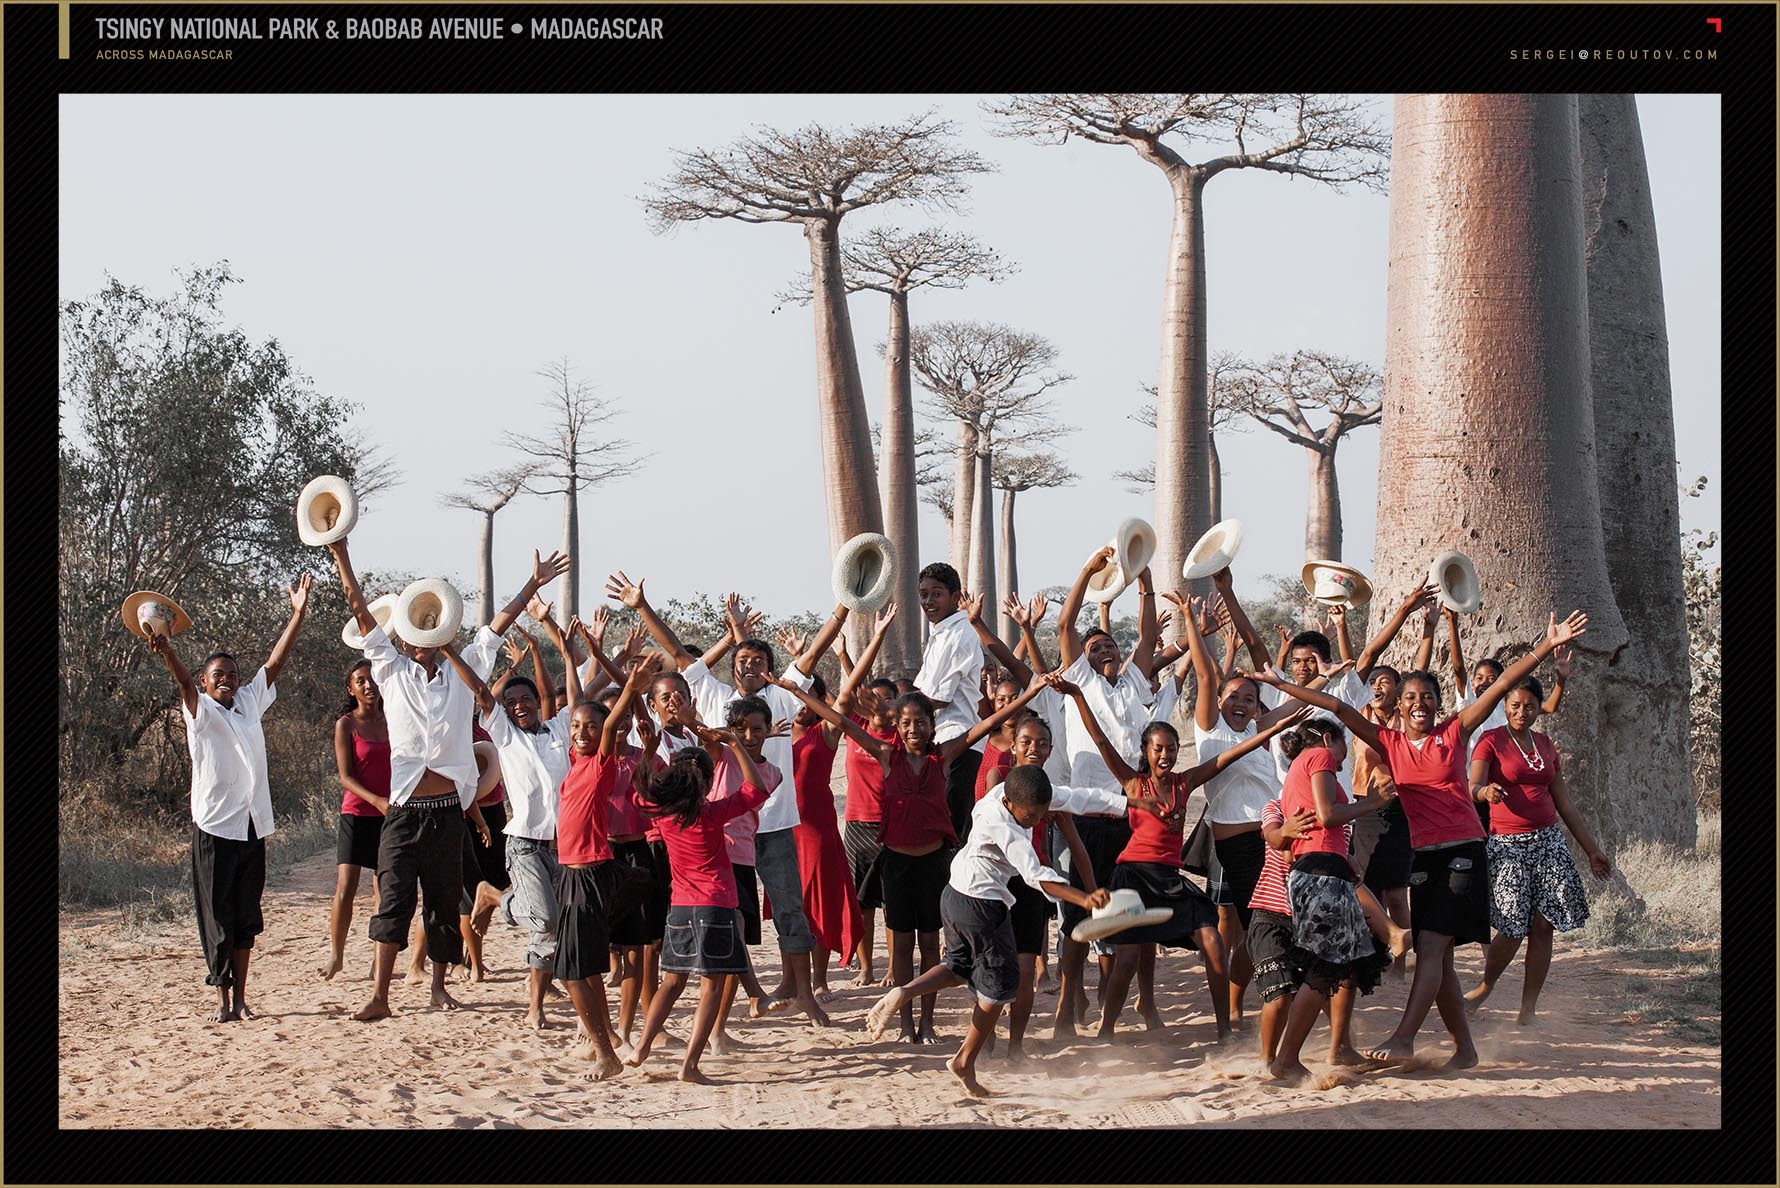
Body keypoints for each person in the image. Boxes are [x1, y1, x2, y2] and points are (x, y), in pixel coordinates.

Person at [1265, 609, 1590, 1069]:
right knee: (1443, 963)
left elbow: (1499, 686)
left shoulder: (1454, 733)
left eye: (1427, 697)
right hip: (1424, 856)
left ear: (1438, 704)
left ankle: (1404, 1037)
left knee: (1432, 946)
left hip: (1463, 852)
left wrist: (1542, 646)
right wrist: (1280, 685)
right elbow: (1337, 708)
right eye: (1411, 697)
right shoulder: (1390, 743)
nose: (1419, 703)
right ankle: (1467, 1050)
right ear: (1399, 706)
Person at [608, 573, 845, 1026]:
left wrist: (846, 603)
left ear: (769, 668)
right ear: (732, 667)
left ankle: (804, 996)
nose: (749, 667)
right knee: (731, 916)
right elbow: (678, 654)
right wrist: (641, 606)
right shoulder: (714, 697)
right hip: (727, 828)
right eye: (742, 660)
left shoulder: (780, 697)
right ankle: (747, 996)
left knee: (791, 912)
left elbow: (814, 652)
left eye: (758, 661)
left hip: (775, 825)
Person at [768, 671, 1049, 1044]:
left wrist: (1030, 691)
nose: (914, 728)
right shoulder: (886, 755)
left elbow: (988, 723)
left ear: (933, 726)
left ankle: (927, 1022)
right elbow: (840, 720)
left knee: (931, 945)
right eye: (906, 723)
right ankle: (903, 1024)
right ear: (897, 727)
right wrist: (793, 691)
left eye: (920, 722)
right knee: (901, 947)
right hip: (897, 864)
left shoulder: (943, 756)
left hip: (934, 864)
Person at [863, 766, 1152, 1095]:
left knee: (959, 967)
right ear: (1010, 802)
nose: (1034, 822)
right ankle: (964, 1061)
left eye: (1041, 815)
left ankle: (904, 992)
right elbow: (1035, 874)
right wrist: (1084, 898)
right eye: (1030, 817)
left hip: (956, 896)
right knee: (1000, 987)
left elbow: (1076, 798)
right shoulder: (1002, 823)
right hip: (981, 905)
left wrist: (1131, 804)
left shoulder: (1023, 793)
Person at [1052, 661, 1300, 1043]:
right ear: (1146, 753)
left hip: (1170, 880)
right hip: (1133, 877)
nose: (1165, 756)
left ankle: (1224, 1031)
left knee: (1214, 944)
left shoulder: (1186, 783)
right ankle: (1106, 1031)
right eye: (1158, 750)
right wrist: (1078, 694)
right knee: (1128, 960)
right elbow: (1100, 740)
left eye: (1170, 749)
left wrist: (1276, 727)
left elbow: (1227, 757)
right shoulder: (1133, 784)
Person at [326, 538, 495, 1022]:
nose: (423, 640)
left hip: (446, 813)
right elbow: (360, 611)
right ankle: (380, 995)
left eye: (432, 633)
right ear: (401, 640)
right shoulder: (390, 669)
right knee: (394, 898)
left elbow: (495, 630)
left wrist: (533, 585)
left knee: (443, 901)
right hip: (402, 814)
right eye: (415, 635)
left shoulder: (463, 675)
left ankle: (439, 987)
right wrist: (341, 554)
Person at [143, 575, 313, 1022]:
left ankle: (242, 998)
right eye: (219, 676)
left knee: (245, 916)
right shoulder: (200, 710)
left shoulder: (248, 703)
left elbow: (275, 663)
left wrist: (296, 614)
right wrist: (168, 651)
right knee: (217, 918)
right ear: (205, 681)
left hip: (252, 824)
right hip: (215, 826)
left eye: (233, 675)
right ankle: (222, 1000)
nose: (229, 681)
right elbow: (181, 682)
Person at [1049, 546, 1160, 1037]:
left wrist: (1145, 580)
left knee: (1127, 919)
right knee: (1080, 916)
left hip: (1132, 818)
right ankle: (1066, 1005)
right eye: (1095, 647)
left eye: (1110, 644)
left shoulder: (1134, 681)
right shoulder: (1081, 683)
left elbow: (1151, 635)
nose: (1105, 649)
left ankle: (1111, 1016)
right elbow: (1064, 625)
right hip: (1089, 814)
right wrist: (1086, 570)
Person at [623, 727, 773, 1084]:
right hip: (716, 906)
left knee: (671, 982)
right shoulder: (711, 814)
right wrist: (736, 744)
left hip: (680, 907)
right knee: (711, 987)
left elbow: (637, 793)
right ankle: (689, 1065)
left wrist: (648, 751)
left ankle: (642, 1046)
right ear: (707, 784)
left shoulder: (663, 814)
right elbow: (757, 790)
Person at [1464, 673, 1611, 1024]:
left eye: (1529, 706)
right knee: (1513, 924)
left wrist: (1591, 850)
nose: (1521, 712)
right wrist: (1485, 793)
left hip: (1548, 841)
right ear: (1504, 706)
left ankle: (1528, 1008)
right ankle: (1486, 986)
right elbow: (1472, 785)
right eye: (1515, 705)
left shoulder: (1545, 745)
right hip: (1507, 843)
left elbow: (1566, 804)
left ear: (1537, 709)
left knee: (1544, 924)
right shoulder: (1491, 740)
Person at [1267, 717, 1398, 1083]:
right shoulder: (1320, 754)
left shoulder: (1300, 766)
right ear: (1328, 738)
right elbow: (1327, 816)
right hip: (1320, 873)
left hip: (1323, 869)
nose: (1341, 763)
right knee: (1324, 967)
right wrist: (1371, 803)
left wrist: (1344, 856)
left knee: (1350, 961)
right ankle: (1287, 1059)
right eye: (1343, 751)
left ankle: (1338, 1047)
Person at [554, 658, 663, 1080]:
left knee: (572, 971)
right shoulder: (575, 760)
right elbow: (576, 701)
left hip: (589, 872)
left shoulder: (602, 765)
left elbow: (610, 720)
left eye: (591, 728)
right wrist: (570, 654)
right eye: (577, 726)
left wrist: (632, 689)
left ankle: (606, 1052)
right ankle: (607, 1045)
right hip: (573, 874)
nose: (582, 732)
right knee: (582, 969)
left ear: (608, 736)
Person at [479, 593, 582, 1031]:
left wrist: (549, 647)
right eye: (511, 703)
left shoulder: (559, 729)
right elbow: (483, 695)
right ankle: (495, 896)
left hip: (562, 844)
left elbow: (570, 694)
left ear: (539, 703)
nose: (518, 705)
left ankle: (534, 1005)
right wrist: (456, 652)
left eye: (525, 700)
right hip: (523, 842)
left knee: (551, 930)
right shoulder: (505, 736)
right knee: (544, 916)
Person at [979, 713, 1096, 1057]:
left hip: (1032, 888)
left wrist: (1091, 893)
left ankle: (1016, 1045)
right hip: (996, 884)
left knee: (1027, 967)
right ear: (1013, 745)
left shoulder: (1052, 792)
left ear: (1051, 749)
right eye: (1027, 742)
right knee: (992, 967)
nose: (1034, 748)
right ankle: (986, 1038)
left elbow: (1076, 845)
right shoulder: (997, 778)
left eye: (1042, 743)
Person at [1348, 595, 1438, 979]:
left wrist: (1428, 630)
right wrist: (1402, 612)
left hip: (1401, 812)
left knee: (1397, 894)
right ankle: (1369, 957)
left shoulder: (1406, 721)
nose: (1379, 685)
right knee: (1364, 890)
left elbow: (1421, 671)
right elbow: (1364, 659)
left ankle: (1400, 964)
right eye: (1374, 682)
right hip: (1365, 811)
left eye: (1388, 682)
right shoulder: (1361, 716)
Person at [784, 669, 867, 1002]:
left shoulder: (826, 730)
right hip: (783, 829)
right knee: (789, 908)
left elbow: (846, 700)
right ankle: (790, 980)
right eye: (796, 696)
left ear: (819, 697)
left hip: (816, 830)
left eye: (810, 695)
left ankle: (819, 980)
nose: (801, 704)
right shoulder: (775, 731)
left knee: (818, 907)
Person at [321, 658, 389, 982]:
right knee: (346, 887)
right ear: (351, 688)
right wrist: (375, 799)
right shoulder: (346, 724)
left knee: (383, 889)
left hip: (389, 815)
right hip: (357, 812)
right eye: (360, 681)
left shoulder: (393, 720)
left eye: (372, 679)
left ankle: (379, 959)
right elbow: (345, 776)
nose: (368, 685)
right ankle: (337, 954)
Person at [910, 562, 988, 844]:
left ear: (955, 597)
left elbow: (938, 697)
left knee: (950, 831)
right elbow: (921, 688)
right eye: (923, 594)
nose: (928, 601)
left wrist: (897, 713)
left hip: (958, 740)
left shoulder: (959, 634)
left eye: (936, 594)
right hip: (941, 739)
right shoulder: (940, 633)